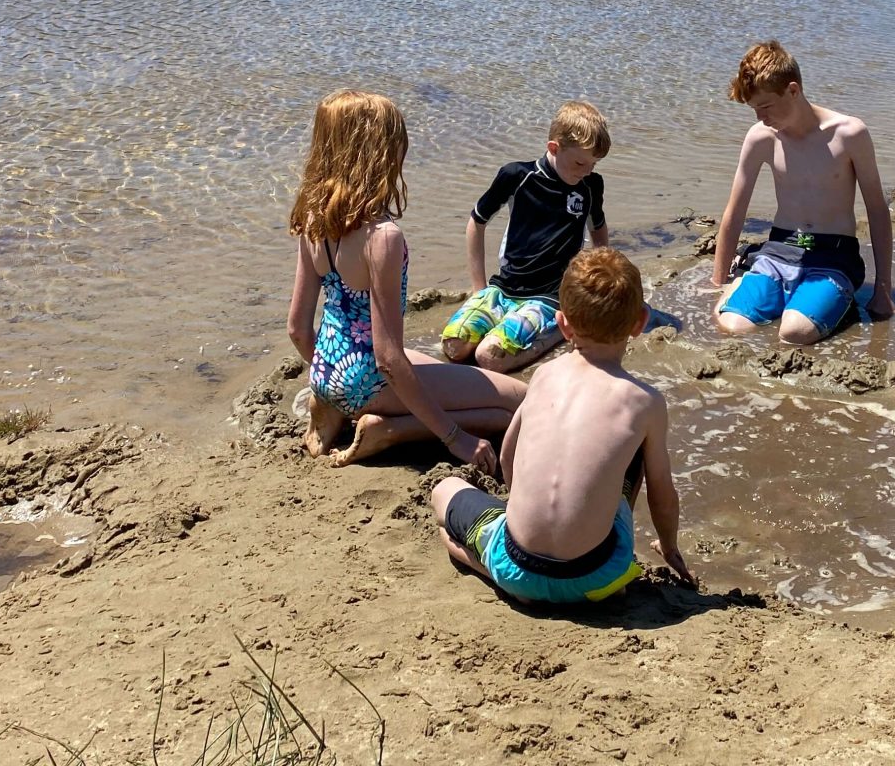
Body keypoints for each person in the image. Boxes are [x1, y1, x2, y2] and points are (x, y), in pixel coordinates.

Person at [431, 248, 692, 603]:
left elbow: (509, 455)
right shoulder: (645, 402)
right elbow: (662, 493)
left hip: (517, 568)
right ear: (640, 322)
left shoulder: (543, 375)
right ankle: (591, 539)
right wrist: (669, 545)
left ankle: (486, 564)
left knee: (444, 488)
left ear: (563, 324)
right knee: (634, 451)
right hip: (599, 575)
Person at [285, 89, 527, 469]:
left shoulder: (313, 220)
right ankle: (390, 430)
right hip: (371, 377)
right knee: (516, 404)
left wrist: (330, 377)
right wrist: (456, 439)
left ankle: (336, 405)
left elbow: (298, 329)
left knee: (451, 378)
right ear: (379, 156)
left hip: (325, 368)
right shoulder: (382, 237)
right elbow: (388, 359)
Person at [710, 40, 894, 344]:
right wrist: (718, 281)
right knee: (732, 326)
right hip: (779, 250)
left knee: (794, 331)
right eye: (754, 109)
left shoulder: (849, 134)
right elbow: (735, 210)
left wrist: (883, 290)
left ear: (793, 90)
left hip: (833, 257)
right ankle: (744, 278)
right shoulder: (761, 138)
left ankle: (835, 300)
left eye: (766, 107)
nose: (760, 117)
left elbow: (876, 209)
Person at [440, 101, 611, 373]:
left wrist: (601, 283)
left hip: (549, 296)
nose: (587, 171)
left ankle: (562, 323)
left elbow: (598, 229)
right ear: (554, 148)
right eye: (580, 162)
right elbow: (476, 222)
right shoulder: (517, 176)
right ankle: (505, 321)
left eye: (593, 164)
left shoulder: (590, 186)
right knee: (454, 344)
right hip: (503, 288)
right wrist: (479, 287)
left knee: (489, 356)